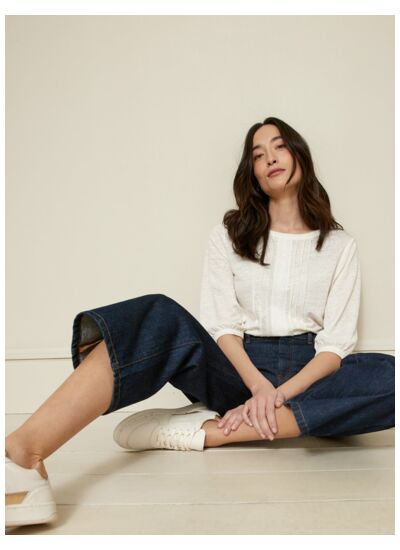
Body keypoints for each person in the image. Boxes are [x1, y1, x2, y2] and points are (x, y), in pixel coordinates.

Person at [5, 117, 395, 529]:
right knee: (158, 313)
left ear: (300, 154)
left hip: (308, 374)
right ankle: (24, 456)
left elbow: (334, 348)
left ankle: (208, 431)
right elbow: (223, 327)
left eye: (279, 146)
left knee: (391, 378)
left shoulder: (339, 245)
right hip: (238, 369)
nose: (270, 158)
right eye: (257, 155)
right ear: (252, 173)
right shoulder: (228, 235)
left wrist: (277, 395)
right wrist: (258, 387)